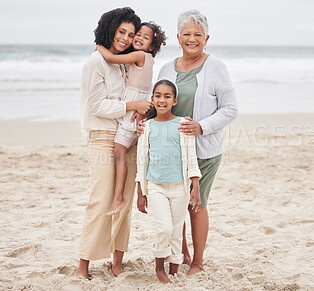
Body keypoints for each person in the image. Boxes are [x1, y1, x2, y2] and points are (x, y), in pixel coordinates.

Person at [138, 10, 238, 275]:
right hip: (171, 151)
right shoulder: (167, 68)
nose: (191, 39)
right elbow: (159, 103)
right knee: (175, 206)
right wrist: (144, 122)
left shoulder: (216, 67)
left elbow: (230, 109)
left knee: (197, 204)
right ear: (179, 37)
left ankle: (197, 262)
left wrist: (201, 126)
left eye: (197, 35)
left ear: (206, 38)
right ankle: (181, 254)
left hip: (204, 150)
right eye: (186, 34)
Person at [78, 7, 144, 279]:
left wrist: (141, 115)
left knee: (124, 202)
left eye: (130, 34)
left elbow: (139, 94)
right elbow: (96, 105)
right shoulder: (96, 62)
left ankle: (117, 262)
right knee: (102, 199)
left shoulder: (126, 62)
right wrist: (131, 105)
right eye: (121, 32)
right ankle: (83, 265)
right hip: (103, 136)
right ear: (110, 29)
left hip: (129, 138)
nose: (126, 38)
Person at [96, 21, 167, 216]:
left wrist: (99, 47)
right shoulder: (148, 58)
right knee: (136, 154)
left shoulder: (139, 55)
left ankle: (119, 196)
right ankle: (137, 191)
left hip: (133, 105)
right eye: (138, 35)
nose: (139, 38)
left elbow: (111, 58)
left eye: (145, 38)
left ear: (151, 46)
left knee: (119, 150)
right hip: (140, 102)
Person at [136, 79, 202, 283]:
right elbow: (141, 160)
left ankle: (174, 268)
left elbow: (191, 157)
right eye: (158, 95)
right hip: (156, 186)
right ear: (152, 99)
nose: (162, 100)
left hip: (180, 187)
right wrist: (141, 191)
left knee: (176, 228)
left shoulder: (183, 123)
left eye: (167, 96)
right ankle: (159, 267)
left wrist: (195, 187)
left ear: (175, 100)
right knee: (163, 227)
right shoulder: (146, 127)